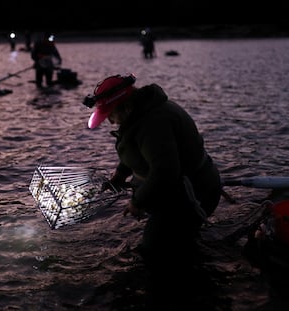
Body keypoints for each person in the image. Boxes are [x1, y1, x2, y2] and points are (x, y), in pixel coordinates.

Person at [82, 74, 222, 309]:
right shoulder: (138, 115)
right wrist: (119, 175)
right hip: (173, 191)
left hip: (192, 194)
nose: (110, 122)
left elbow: (166, 171)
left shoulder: (153, 122)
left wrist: (137, 201)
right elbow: (136, 152)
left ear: (124, 106)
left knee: (152, 251)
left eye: (111, 115)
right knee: (178, 246)